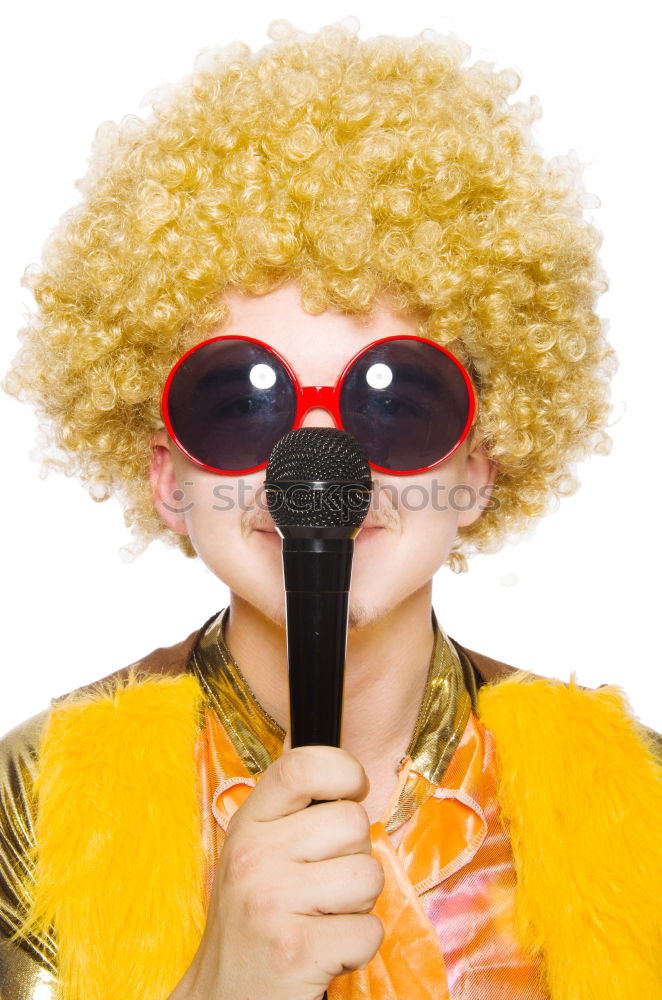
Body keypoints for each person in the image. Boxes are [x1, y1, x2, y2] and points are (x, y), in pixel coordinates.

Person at [1, 20, 661, 1000]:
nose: (317, 465)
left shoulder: (632, 793)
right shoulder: (39, 794)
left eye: (394, 401)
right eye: (240, 403)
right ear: (167, 478)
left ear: (477, 467)